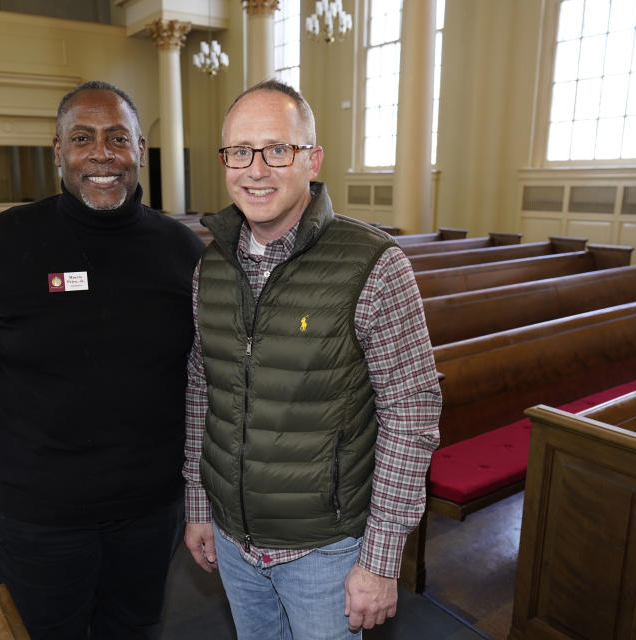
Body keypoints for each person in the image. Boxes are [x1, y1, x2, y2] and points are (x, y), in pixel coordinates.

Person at [0, 81, 204, 639]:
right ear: (57, 152)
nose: (102, 154)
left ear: (139, 148)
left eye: (117, 139)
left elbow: (211, 377)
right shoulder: (3, 244)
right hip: (37, 515)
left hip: (150, 509)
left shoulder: (181, 252)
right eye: (83, 139)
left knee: (135, 629)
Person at [182, 79, 442, 639]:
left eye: (278, 150)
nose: (256, 169)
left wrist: (380, 559)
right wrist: (200, 503)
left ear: (312, 159)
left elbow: (411, 413)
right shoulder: (213, 266)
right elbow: (205, 389)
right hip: (232, 540)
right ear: (224, 161)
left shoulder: (373, 264)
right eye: (239, 152)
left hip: (326, 551)